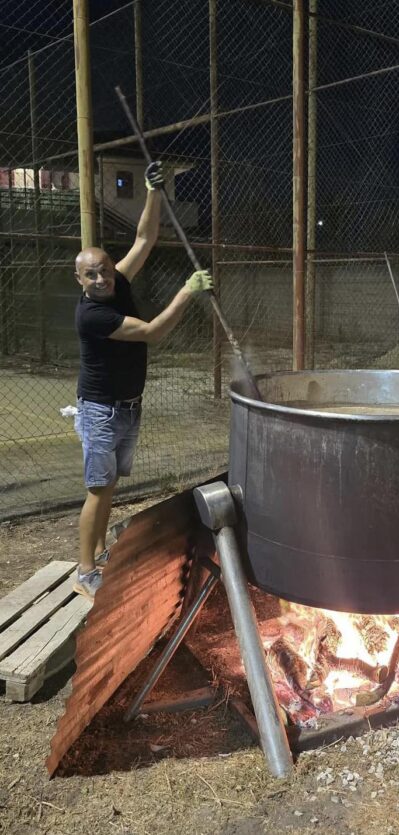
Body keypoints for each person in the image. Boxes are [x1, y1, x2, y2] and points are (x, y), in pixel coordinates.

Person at [73, 161, 213, 599]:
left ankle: (99, 553)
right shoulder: (93, 313)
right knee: (97, 490)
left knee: (110, 485)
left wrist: (154, 190)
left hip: (127, 405)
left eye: (104, 269)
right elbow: (152, 332)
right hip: (100, 410)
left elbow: (145, 238)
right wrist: (188, 292)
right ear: (79, 279)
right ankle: (84, 571)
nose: (101, 278)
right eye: (91, 274)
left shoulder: (118, 282)